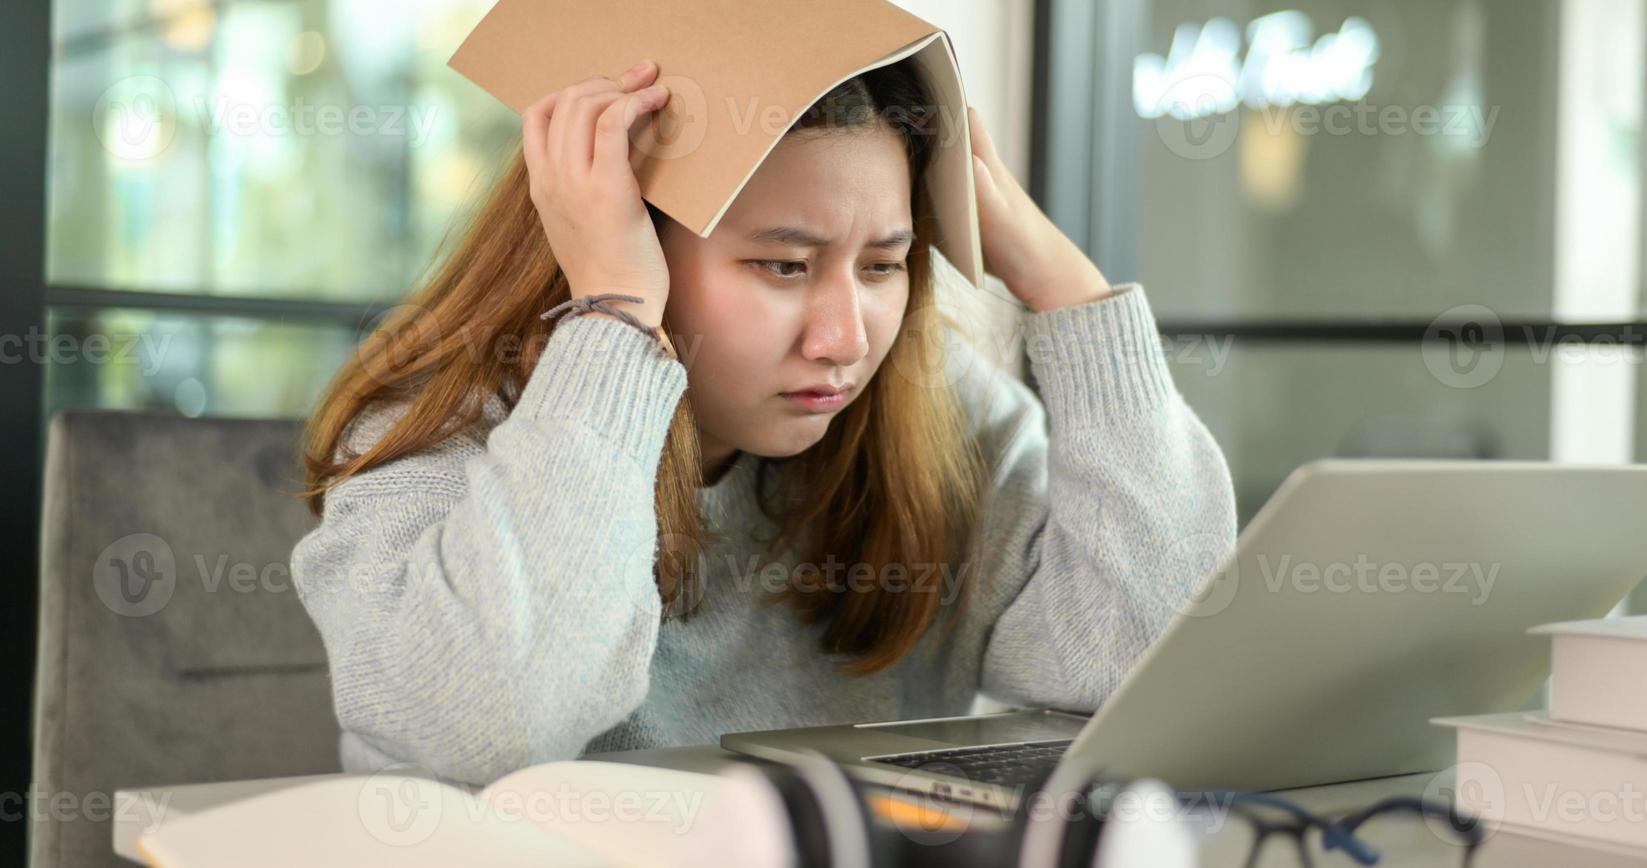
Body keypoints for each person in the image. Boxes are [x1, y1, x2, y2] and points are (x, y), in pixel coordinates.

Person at [288, 56, 1237, 786]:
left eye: (882, 266)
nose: (842, 339)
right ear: (619, 242)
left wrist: (1065, 292)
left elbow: (1138, 675)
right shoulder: (432, 432)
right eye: (783, 267)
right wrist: (615, 320)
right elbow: (484, 730)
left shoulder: (934, 404)